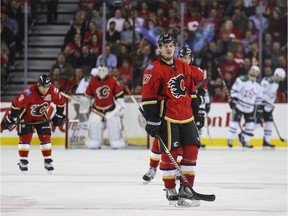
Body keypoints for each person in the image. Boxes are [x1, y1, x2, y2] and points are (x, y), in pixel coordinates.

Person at [141, 34, 202, 206]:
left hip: (187, 116)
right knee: (171, 155)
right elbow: (148, 98)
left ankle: (186, 188)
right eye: (165, 45)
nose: (168, 48)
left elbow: (191, 91)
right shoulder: (152, 70)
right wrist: (152, 119)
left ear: (175, 47)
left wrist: (198, 113)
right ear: (159, 48)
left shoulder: (184, 66)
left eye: (171, 45)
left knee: (191, 152)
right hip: (168, 117)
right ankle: (170, 188)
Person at [1, 75, 66, 172]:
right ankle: (23, 161)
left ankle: (48, 160)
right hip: (26, 117)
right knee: (25, 138)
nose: (45, 90)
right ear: (38, 85)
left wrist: (59, 115)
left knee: (46, 137)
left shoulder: (53, 91)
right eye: (43, 87)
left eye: (47, 87)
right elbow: (15, 104)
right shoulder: (29, 93)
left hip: (41, 117)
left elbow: (61, 102)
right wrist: (12, 117)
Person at [84, 65, 125, 149]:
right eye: (100, 70)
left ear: (107, 71)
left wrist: (120, 106)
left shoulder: (112, 79)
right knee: (94, 124)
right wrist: (85, 104)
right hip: (97, 109)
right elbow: (88, 96)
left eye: (104, 70)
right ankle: (95, 140)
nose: (102, 72)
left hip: (111, 109)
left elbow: (119, 95)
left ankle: (116, 140)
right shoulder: (93, 81)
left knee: (113, 124)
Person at [227, 65, 263, 148]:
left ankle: (245, 141)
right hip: (239, 105)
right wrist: (233, 100)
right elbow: (234, 91)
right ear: (249, 71)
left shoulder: (258, 85)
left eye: (256, 71)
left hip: (250, 108)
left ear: (258, 74)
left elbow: (259, 98)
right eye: (252, 70)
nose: (253, 72)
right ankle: (230, 139)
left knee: (250, 125)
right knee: (234, 123)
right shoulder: (241, 79)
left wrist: (259, 110)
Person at [258, 68, 286, 148]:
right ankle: (243, 135)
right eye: (280, 78)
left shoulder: (276, 83)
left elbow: (271, 94)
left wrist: (271, 103)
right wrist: (260, 104)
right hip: (263, 105)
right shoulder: (267, 80)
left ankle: (266, 141)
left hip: (268, 107)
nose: (280, 80)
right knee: (257, 123)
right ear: (276, 75)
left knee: (269, 123)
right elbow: (261, 92)